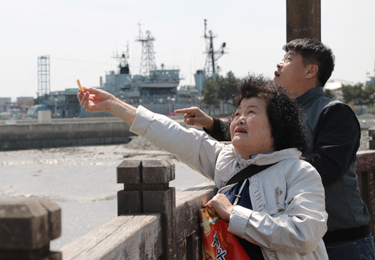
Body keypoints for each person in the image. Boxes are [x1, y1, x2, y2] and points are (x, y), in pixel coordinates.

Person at [79, 75, 329, 259]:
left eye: (251, 112)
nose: (239, 118)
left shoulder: (299, 172)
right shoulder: (226, 160)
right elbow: (172, 134)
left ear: (278, 126)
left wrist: (233, 214)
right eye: (237, 112)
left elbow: (304, 234)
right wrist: (113, 104)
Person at [176, 39, 375, 260]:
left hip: (343, 240)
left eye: (288, 59)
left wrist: (268, 161)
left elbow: (328, 165)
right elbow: (260, 138)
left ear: (310, 70)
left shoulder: (334, 112)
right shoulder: (278, 117)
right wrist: (212, 124)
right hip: (289, 239)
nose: (280, 64)